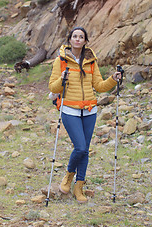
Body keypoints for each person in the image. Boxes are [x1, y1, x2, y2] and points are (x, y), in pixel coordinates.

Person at [48, 27, 123, 203]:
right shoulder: (61, 61)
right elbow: (53, 87)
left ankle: (79, 187)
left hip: (89, 110)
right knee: (80, 147)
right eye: (75, 36)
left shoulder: (91, 61)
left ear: (85, 41)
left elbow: (99, 85)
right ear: (70, 40)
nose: (78, 39)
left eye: (81, 37)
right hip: (69, 110)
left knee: (85, 151)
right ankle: (68, 176)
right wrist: (62, 79)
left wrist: (113, 78)